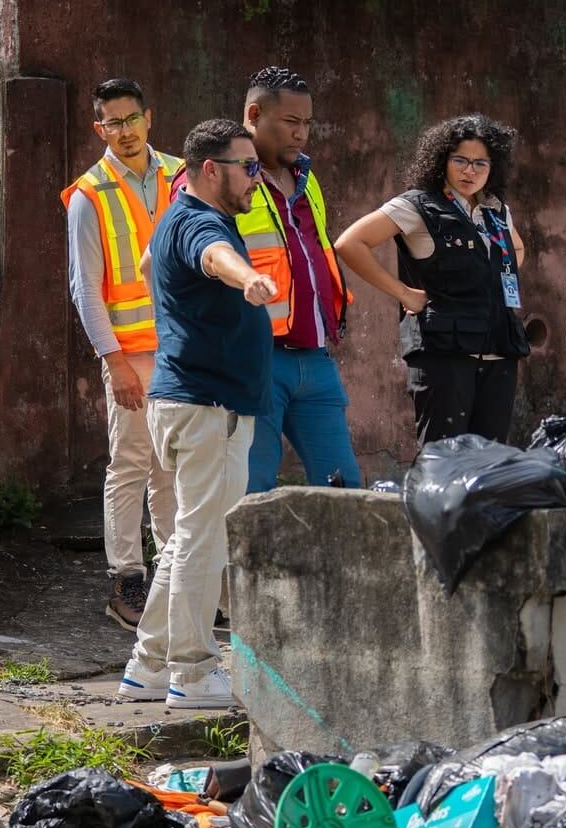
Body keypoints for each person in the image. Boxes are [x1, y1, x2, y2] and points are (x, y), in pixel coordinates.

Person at [117, 118, 276, 710]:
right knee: (201, 541)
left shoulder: (175, 219)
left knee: (190, 537)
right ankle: (191, 670)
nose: (256, 179)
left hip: (195, 402)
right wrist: (249, 276)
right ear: (212, 169)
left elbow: (153, 262)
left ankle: (147, 664)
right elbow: (214, 258)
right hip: (206, 406)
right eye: (248, 167)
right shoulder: (200, 222)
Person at [61, 79, 182, 630]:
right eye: (113, 122)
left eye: (132, 118)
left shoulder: (183, 174)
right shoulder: (90, 193)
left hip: (182, 350)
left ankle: (175, 575)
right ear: (99, 129)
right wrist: (112, 362)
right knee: (131, 465)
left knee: (171, 468)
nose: (125, 131)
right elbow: (85, 289)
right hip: (131, 356)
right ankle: (126, 580)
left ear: (149, 117)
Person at [335, 114, 529, 446]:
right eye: (461, 161)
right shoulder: (417, 205)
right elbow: (349, 243)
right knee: (444, 459)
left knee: (489, 462)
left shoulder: (496, 210)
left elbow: (517, 248)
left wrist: (492, 278)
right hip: (444, 352)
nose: (470, 171)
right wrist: (404, 294)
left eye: (480, 163)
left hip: (499, 348)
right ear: (442, 159)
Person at [234, 66, 360, 491]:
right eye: (291, 122)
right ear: (254, 114)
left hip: (316, 359)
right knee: (251, 493)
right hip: (254, 360)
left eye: (307, 123)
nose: (302, 134)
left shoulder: (307, 179)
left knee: (346, 489)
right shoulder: (216, 176)